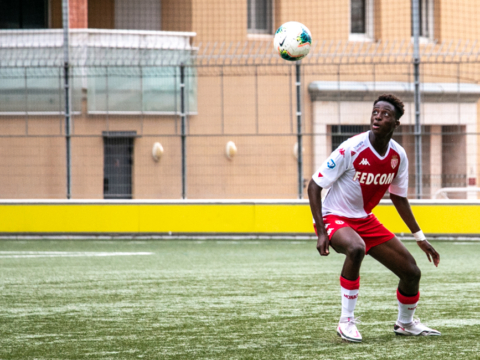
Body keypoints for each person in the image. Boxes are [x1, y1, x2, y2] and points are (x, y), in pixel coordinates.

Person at [307, 94, 441, 343]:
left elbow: (399, 198)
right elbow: (314, 185)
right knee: (356, 248)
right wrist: (323, 231)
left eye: (385, 114)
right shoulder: (351, 148)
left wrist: (420, 238)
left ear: (396, 124)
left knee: (411, 272)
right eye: (375, 112)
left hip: (364, 220)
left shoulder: (398, 156)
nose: (378, 116)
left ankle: (406, 323)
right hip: (334, 217)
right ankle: (346, 321)